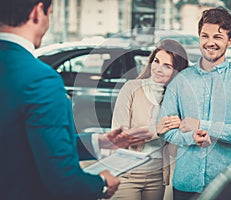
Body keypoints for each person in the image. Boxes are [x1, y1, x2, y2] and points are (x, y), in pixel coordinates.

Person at [0, 1, 151, 200]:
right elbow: (64, 184)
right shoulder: (40, 79)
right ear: (38, 12)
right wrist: (102, 184)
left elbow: (23, 142)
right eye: (50, 14)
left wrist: (101, 142)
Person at [157, 7, 231, 200]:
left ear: (230, 40)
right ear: (199, 37)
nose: (210, 42)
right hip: (185, 184)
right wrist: (191, 137)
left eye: (218, 37)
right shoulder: (180, 81)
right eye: (205, 36)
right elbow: (165, 128)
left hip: (227, 184)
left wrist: (203, 126)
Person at [111, 39, 189, 200]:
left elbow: (173, 151)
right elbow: (119, 137)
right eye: (156, 61)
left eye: (167, 66)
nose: (158, 69)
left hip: (157, 176)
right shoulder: (131, 88)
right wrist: (157, 129)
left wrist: (181, 129)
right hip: (127, 173)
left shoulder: (176, 99)